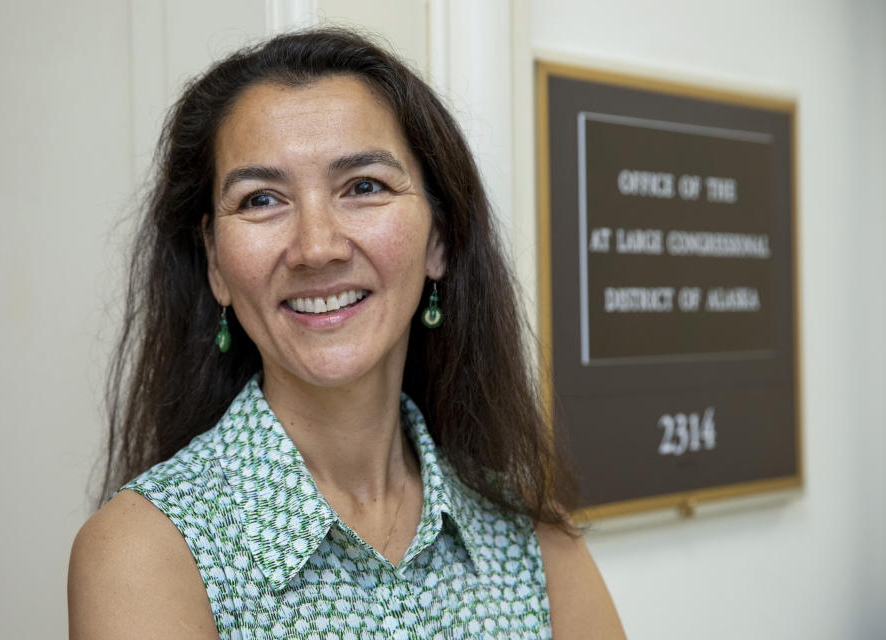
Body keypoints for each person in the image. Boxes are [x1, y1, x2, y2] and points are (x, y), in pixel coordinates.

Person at [68, 27, 625, 639]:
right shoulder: (145, 552)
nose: (316, 247)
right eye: (260, 200)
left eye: (364, 187)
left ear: (438, 238)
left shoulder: (535, 542)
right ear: (215, 265)